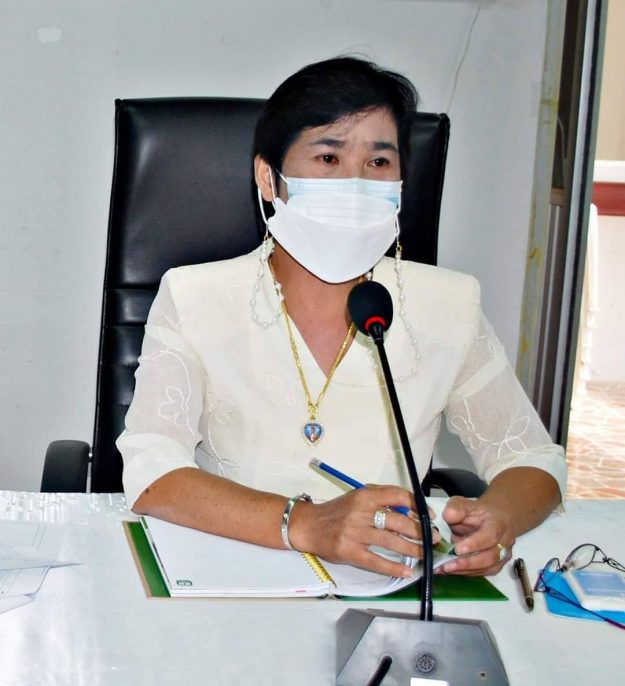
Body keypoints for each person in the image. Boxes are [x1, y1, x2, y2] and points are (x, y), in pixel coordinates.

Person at [117, 56, 567, 579]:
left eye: (378, 162)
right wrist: (306, 524)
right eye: (328, 157)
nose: (355, 183)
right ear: (268, 177)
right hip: (235, 572)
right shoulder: (195, 296)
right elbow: (152, 469)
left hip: (388, 579)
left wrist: (499, 517)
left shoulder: (448, 304)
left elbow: (532, 459)